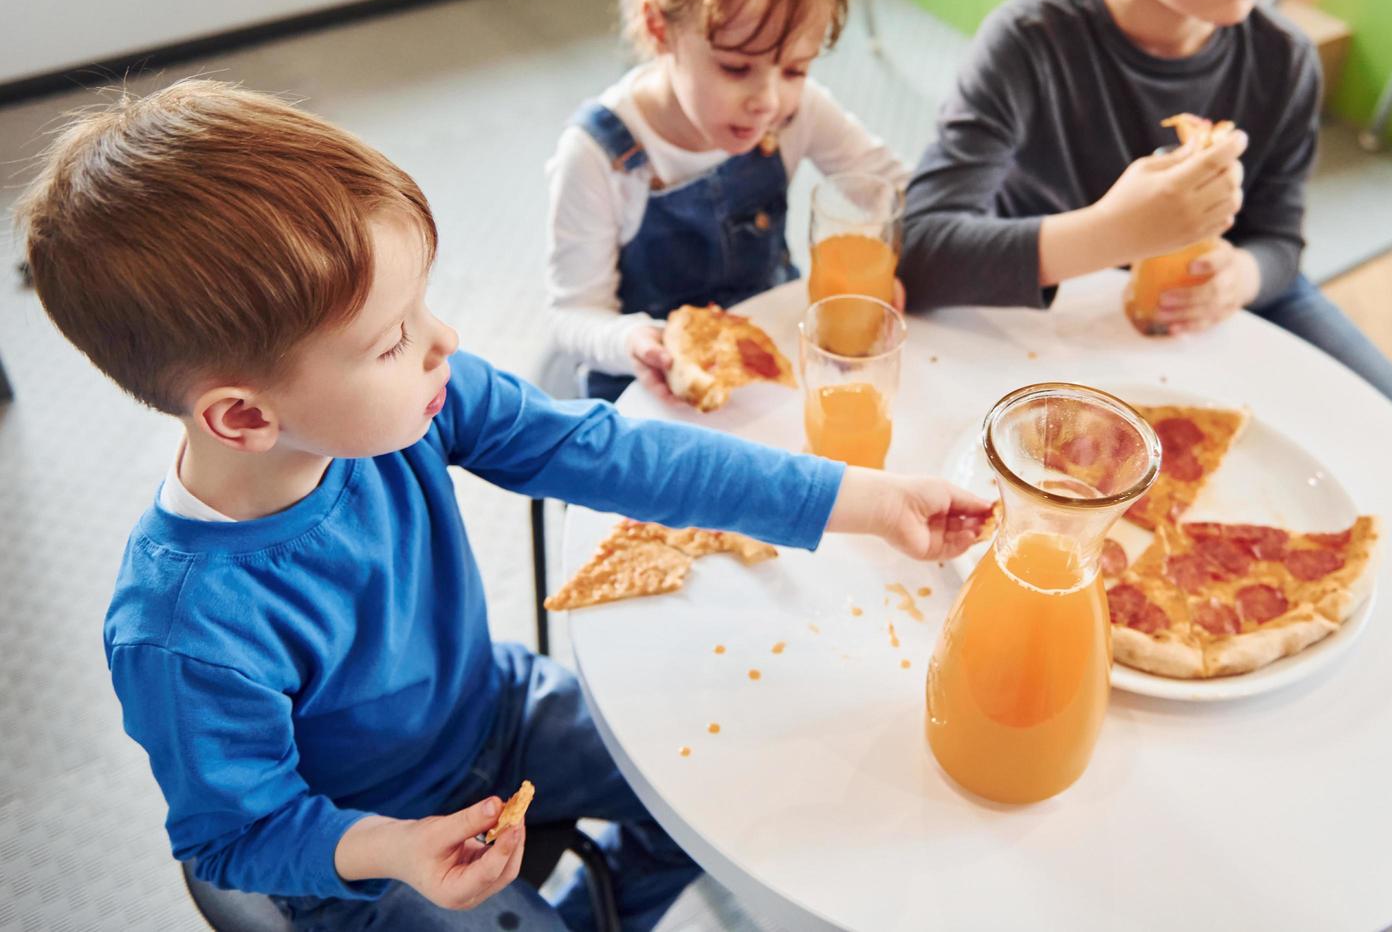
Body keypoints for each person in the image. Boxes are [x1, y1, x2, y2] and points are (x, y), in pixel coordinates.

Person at [15, 80, 989, 931]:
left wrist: (865, 498)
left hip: (496, 712)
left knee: (716, 804)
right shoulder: (186, 630)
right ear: (243, 414)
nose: (445, 340)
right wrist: (393, 848)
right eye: (394, 338)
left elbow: (615, 454)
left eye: (424, 305)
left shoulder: (415, 403)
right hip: (364, 854)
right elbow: (238, 835)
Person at [898, 0, 1392, 469]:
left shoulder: (1284, 59)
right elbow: (919, 251)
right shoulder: (1030, 41)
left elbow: (1279, 243)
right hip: (1054, 305)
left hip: (1223, 305)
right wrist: (1111, 234)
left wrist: (1241, 276)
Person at [546, 0, 907, 402]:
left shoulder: (798, 111)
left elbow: (900, 190)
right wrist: (634, 341)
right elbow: (573, 315)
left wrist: (885, 264)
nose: (768, 101)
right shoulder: (599, 155)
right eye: (736, 67)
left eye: (795, 69)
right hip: (648, 385)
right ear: (660, 27)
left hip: (768, 350)